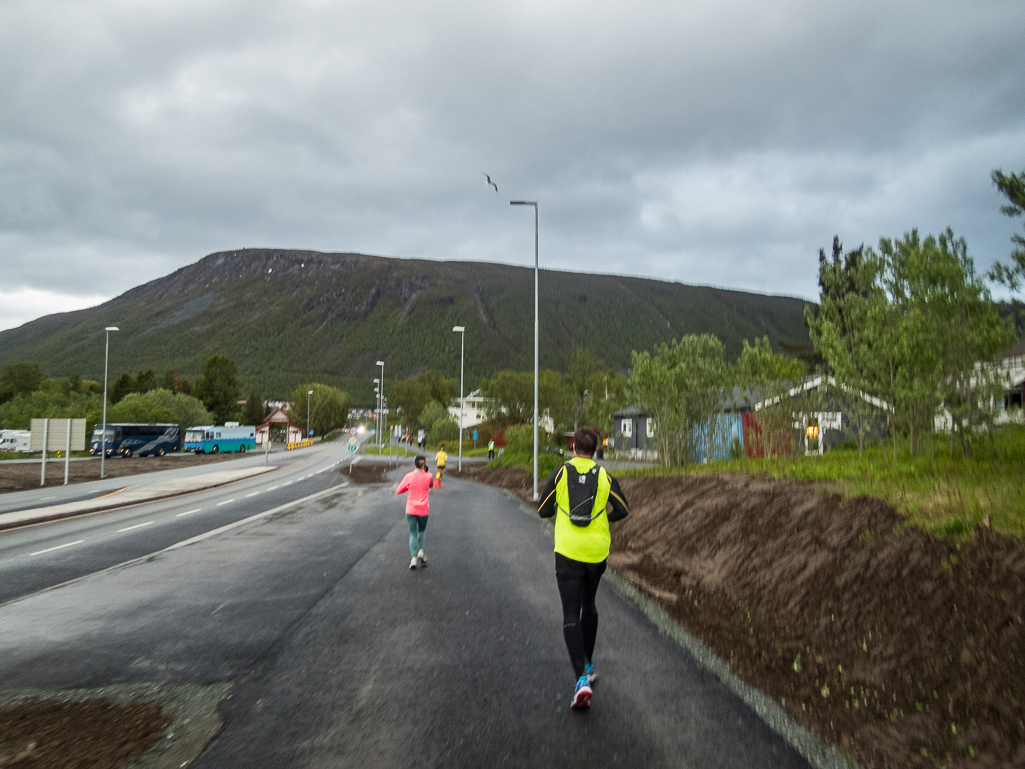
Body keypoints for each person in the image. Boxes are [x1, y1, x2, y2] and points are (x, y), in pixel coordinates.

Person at [538, 426, 629, 709]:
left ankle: (581, 681)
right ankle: (589, 665)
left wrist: (558, 511)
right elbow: (623, 509)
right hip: (597, 551)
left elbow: (543, 509)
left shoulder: (561, 473)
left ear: (573, 448)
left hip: (568, 551)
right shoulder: (604, 475)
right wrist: (601, 520)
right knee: (589, 605)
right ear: (596, 450)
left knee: (570, 613)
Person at [395, 455, 435, 570]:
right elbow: (431, 485)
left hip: (411, 509)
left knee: (413, 533)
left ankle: (413, 559)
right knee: (421, 531)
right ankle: (421, 551)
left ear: (414, 464)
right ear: (425, 464)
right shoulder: (429, 476)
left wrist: (409, 487)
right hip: (423, 509)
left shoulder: (409, 476)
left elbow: (398, 491)